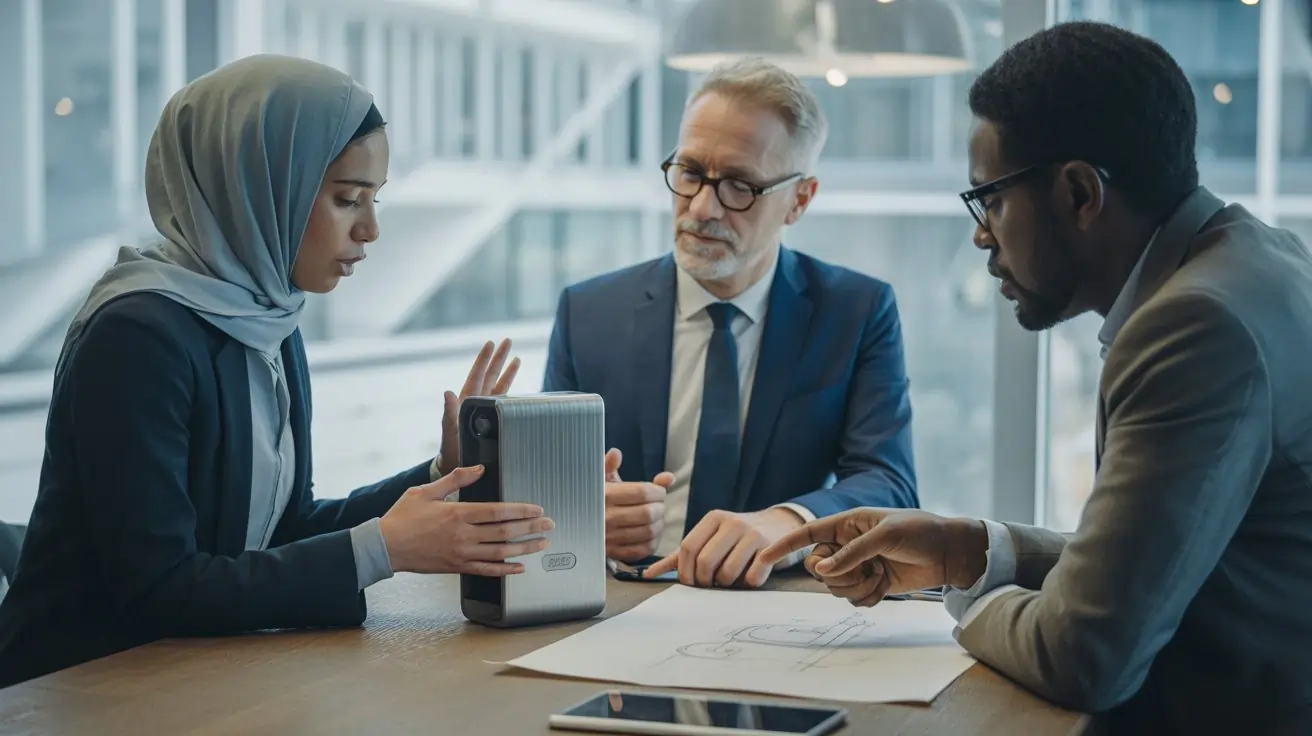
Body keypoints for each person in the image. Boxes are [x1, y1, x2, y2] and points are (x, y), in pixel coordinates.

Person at [759, 21, 1312, 735]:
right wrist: (966, 552)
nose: (980, 236)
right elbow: (1154, 560)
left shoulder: (1193, 328)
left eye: (989, 199)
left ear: (1081, 193)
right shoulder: (1260, 260)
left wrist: (970, 606)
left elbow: (1084, 649)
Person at [0, 55, 553, 688]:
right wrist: (386, 548)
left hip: (188, 679)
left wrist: (439, 474)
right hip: (72, 688)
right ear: (259, 186)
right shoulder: (136, 335)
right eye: (348, 200)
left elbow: (283, 529)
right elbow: (156, 588)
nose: (371, 230)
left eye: (374, 201)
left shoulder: (268, 322)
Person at [543, 57, 917, 591]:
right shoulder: (588, 312)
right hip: (618, 603)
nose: (701, 208)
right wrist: (579, 514)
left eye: (739, 185)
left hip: (776, 609)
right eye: (691, 173)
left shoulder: (856, 311)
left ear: (799, 200)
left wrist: (787, 522)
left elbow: (891, 484)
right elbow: (536, 489)